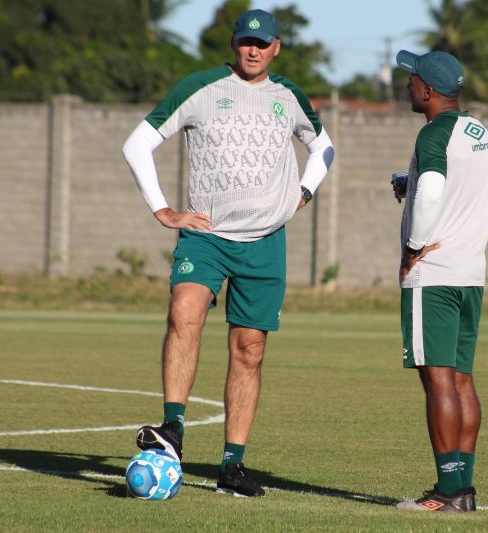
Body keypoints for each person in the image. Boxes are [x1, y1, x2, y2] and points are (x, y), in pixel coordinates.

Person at [122, 8, 334, 498]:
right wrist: (163, 210)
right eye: (245, 42)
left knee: (249, 350)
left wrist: (304, 192)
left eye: (262, 43)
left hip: (265, 241)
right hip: (207, 236)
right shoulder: (200, 87)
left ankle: (232, 467)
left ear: (276, 47)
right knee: (184, 310)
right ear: (234, 44)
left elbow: (323, 147)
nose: (253, 51)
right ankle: (173, 427)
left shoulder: (288, 96)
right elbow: (137, 145)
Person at [392, 49, 488, 512]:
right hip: (470, 273)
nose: (408, 84)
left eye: (412, 79)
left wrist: (413, 248)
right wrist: (409, 181)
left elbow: (434, 189)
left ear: (429, 90)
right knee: (461, 380)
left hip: (433, 275)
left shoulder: (432, 132)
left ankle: (447, 491)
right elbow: (468, 188)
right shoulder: (480, 132)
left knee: (438, 382)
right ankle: (465, 489)